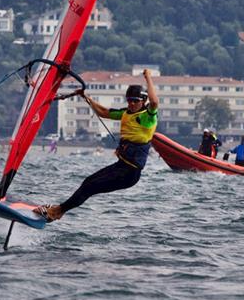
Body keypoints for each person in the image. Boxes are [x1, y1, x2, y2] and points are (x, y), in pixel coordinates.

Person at [36, 68, 159, 222]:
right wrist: (85, 97)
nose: (132, 103)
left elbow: (154, 102)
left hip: (130, 173)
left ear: (143, 100)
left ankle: (57, 211)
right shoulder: (125, 113)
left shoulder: (148, 117)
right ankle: (59, 210)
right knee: (88, 182)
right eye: (129, 100)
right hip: (121, 166)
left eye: (136, 100)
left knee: (89, 187)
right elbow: (103, 112)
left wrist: (148, 77)